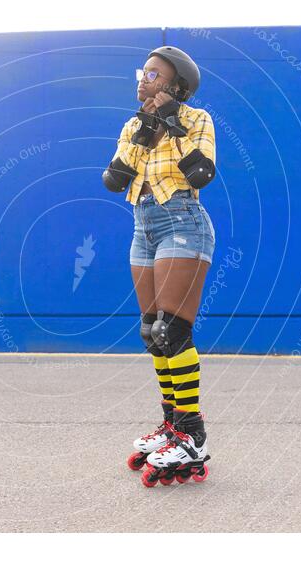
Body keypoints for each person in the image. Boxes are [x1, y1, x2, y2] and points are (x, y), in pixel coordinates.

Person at [102, 46, 217, 486]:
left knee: (173, 329)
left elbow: (201, 172)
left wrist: (171, 121)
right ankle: (172, 425)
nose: (143, 80)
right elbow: (114, 179)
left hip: (183, 222)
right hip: (142, 227)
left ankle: (192, 434)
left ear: (175, 86)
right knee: (153, 333)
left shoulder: (197, 119)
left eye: (153, 75)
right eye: (143, 72)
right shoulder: (134, 125)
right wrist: (146, 130)